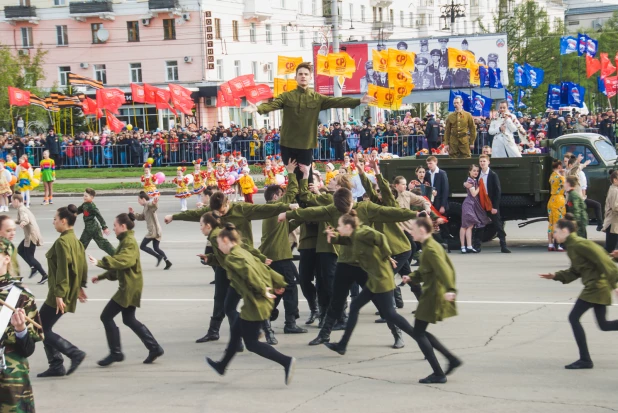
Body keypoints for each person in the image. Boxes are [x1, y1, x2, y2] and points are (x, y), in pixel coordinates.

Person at [244, 62, 375, 183]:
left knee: (307, 177)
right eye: (300, 74)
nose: (303, 76)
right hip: (288, 144)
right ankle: (294, 206)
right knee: (292, 177)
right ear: (295, 77)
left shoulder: (316, 98)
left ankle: (307, 204)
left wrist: (359, 101)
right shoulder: (287, 96)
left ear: (310, 77)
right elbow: (273, 105)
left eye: (306, 74)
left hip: (306, 145)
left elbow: (337, 101)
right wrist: (258, 108)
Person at [205, 224, 296, 386]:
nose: (218, 248)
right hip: (259, 300)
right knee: (235, 332)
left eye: (219, 244)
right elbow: (263, 267)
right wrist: (279, 282)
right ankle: (222, 366)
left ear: (226, 240)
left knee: (252, 344)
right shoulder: (242, 251)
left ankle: (286, 361)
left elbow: (250, 274)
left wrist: (263, 290)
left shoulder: (233, 258)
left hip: (256, 304)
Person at [321, 211, 419, 355]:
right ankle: (340, 344)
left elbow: (380, 237)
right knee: (350, 305)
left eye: (340, 226)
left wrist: (387, 256)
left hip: (375, 275)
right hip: (352, 267)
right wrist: (332, 237)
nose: (337, 227)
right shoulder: (352, 232)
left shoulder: (363, 226)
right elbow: (346, 240)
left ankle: (405, 336)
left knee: (387, 311)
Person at [539, 214, 618, 369]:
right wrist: (555, 276)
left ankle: (585, 360)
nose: (554, 235)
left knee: (573, 317)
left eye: (555, 232)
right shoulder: (572, 247)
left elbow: (603, 260)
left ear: (564, 231)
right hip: (596, 287)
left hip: (596, 287)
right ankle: (585, 360)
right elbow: (575, 271)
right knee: (603, 325)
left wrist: (615, 284)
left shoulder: (579, 244)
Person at [88, 213, 165, 367]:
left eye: (115, 225)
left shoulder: (128, 242)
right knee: (129, 319)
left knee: (106, 316)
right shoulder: (125, 241)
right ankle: (154, 347)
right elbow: (119, 267)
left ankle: (116, 353)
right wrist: (102, 277)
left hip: (129, 287)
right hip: (132, 284)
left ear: (123, 227)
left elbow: (123, 262)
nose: (113, 228)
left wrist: (100, 262)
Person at [401, 217, 461, 384]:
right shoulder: (429, 246)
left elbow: (445, 271)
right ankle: (451, 359)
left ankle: (438, 373)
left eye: (412, 230)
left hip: (433, 295)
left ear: (421, 231)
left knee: (419, 333)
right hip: (431, 294)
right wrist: (411, 277)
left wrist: (451, 290)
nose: (410, 232)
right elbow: (424, 270)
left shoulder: (431, 249)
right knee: (420, 332)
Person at [38, 205, 88, 378]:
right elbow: (81, 265)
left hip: (59, 292)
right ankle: (56, 365)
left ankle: (73, 353)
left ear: (64, 221)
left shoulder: (62, 242)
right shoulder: (76, 241)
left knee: (40, 328)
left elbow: (63, 271)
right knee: (44, 326)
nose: (53, 222)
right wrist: (80, 286)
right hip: (68, 290)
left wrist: (59, 295)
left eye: (55, 219)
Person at [260, 166, 307, 336]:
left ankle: (267, 315)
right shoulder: (275, 207)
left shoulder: (271, 212)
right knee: (290, 286)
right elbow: (292, 192)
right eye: (281, 195)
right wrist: (292, 172)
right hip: (279, 255)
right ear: (275, 197)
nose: (284, 197)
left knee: (280, 287)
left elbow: (287, 226)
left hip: (273, 255)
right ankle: (290, 322)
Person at [0, 238, 43, 412]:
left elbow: (28, 350)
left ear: (6, 258)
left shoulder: (21, 296)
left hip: (11, 382)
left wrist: (20, 330)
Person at [470, 155, 510, 253]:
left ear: (488, 162)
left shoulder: (492, 175)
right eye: (481, 161)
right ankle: (477, 246)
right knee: (480, 225)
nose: (482, 163)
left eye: (484, 161)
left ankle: (503, 246)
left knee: (498, 225)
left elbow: (497, 191)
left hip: (490, 203)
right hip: (481, 204)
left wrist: (495, 206)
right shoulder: (478, 174)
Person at [130, 191, 172, 269]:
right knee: (156, 248)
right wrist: (133, 214)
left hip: (153, 231)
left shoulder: (148, 205)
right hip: (157, 230)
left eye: (139, 200)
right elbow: (142, 217)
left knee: (142, 246)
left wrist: (154, 203)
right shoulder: (145, 207)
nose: (138, 202)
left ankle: (158, 257)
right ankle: (167, 262)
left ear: (143, 199)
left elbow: (153, 206)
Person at [13, 194, 47, 284]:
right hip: (30, 235)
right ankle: (33, 267)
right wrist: (13, 222)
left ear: (16, 200)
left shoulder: (21, 209)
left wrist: (23, 223)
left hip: (31, 236)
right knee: (20, 250)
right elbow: (22, 219)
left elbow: (25, 219)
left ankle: (44, 275)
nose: (11, 203)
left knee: (30, 257)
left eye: (12, 201)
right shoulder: (22, 208)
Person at [460, 164, 491, 253]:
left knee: (470, 225)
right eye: (474, 170)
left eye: (477, 171)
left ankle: (469, 246)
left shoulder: (473, 180)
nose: (476, 172)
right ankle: (463, 246)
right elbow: (473, 194)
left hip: (473, 204)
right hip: (469, 204)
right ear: (469, 171)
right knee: (465, 226)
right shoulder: (471, 180)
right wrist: (480, 187)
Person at [77, 188, 116, 256]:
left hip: (92, 228)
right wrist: (69, 212)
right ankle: (115, 254)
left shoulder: (92, 206)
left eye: (86, 196)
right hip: (90, 228)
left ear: (91, 197)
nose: (84, 197)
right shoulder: (85, 204)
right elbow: (77, 210)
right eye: (84, 195)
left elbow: (99, 216)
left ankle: (75, 259)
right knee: (101, 243)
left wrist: (104, 227)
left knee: (82, 245)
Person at [547, 160, 566, 251]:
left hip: (551, 199)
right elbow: (566, 186)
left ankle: (550, 244)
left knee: (551, 222)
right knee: (559, 223)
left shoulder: (552, 176)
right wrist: (564, 174)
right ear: (559, 166)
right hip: (559, 200)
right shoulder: (560, 177)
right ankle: (559, 244)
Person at [602, 170, 618, 252]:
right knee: (609, 248)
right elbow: (615, 207)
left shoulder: (613, 188)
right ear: (615, 180)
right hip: (613, 223)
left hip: (613, 222)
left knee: (610, 247)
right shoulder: (615, 191)